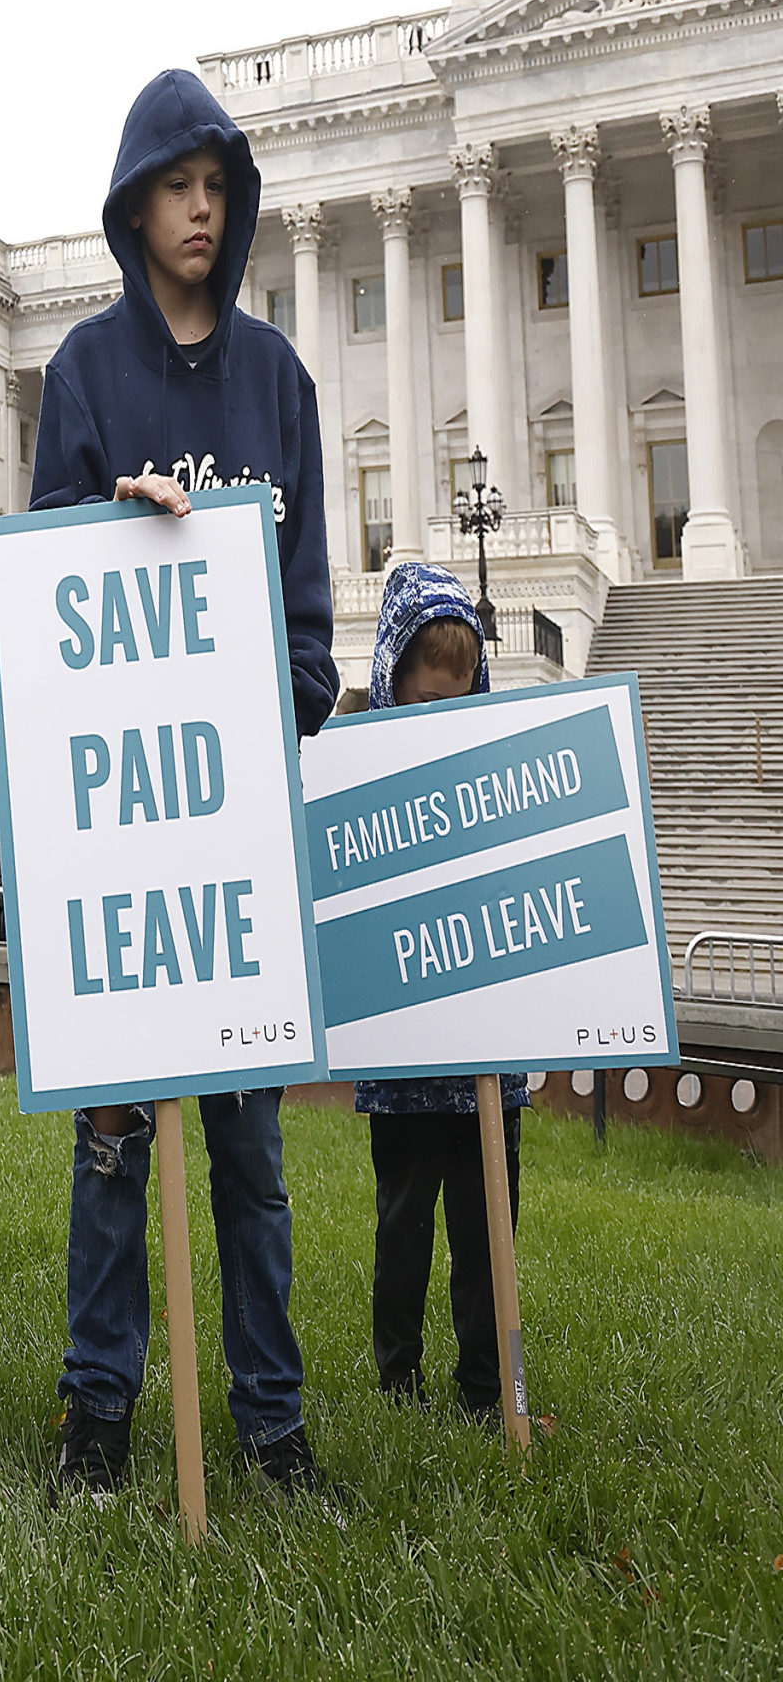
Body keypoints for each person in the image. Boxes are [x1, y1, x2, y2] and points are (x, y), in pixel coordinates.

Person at [30, 68, 338, 1498]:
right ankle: (100, 1409)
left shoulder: (283, 384)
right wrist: (114, 527)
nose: (202, 210)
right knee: (110, 1143)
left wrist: (268, 723)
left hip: (239, 826)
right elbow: (46, 592)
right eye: (178, 187)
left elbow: (310, 624)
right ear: (134, 206)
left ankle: (271, 1424)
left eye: (218, 186)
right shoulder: (87, 371)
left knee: (252, 1152)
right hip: (118, 832)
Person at [356, 560, 525, 1420]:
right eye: (423, 704)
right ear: (392, 688)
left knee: (489, 1216)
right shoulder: (366, 788)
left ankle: (489, 1386)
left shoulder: (502, 785)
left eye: (457, 704)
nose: (441, 723)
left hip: (491, 1050)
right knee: (405, 1215)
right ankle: (397, 1379)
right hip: (402, 1057)